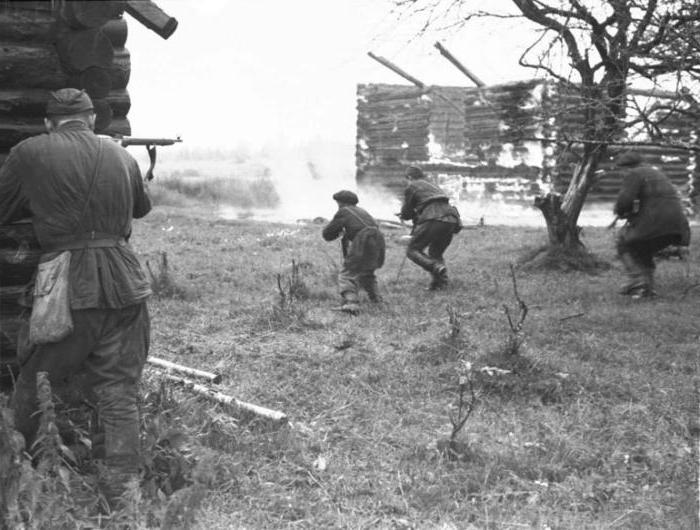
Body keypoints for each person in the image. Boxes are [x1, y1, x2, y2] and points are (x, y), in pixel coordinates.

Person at [0, 88, 152, 506]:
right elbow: (141, 208)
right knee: (118, 391)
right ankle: (121, 498)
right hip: (126, 282)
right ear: (92, 121)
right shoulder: (121, 155)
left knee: (36, 383)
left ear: (49, 123)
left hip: (69, 283)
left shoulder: (30, 152)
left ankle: (12, 477)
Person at [613, 151, 690, 298]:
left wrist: (619, 211)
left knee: (624, 242)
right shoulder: (656, 173)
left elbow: (625, 200)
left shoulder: (634, 174)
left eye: (620, 171)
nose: (620, 175)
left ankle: (637, 279)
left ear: (626, 167)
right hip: (678, 227)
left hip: (656, 224)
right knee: (642, 249)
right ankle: (646, 289)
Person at [322, 190, 385, 314]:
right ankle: (377, 299)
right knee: (367, 272)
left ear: (341, 202)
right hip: (377, 240)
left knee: (347, 273)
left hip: (363, 239)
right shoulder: (362, 211)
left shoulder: (344, 211)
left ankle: (352, 303)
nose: (338, 205)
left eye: (338, 202)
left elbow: (328, 233)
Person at [398, 166, 461, 290]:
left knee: (412, 250)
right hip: (452, 218)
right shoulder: (433, 185)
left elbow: (407, 212)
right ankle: (440, 284)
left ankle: (435, 266)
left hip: (434, 217)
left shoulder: (412, 186)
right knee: (435, 252)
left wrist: (403, 215)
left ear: (409, 177)